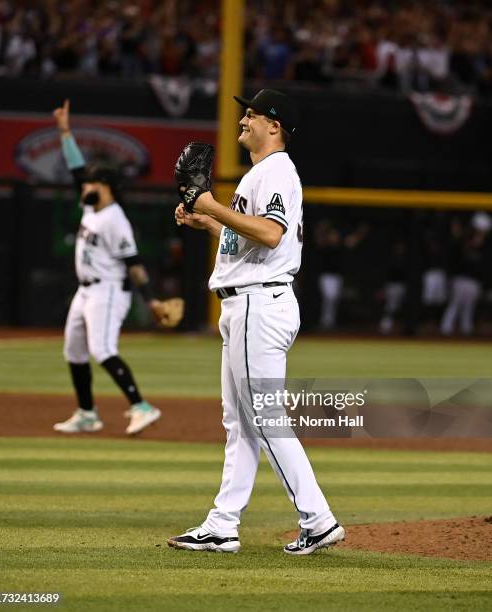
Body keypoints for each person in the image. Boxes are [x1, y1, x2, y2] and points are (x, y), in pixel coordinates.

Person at [167, 89, 344, 555]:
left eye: (252, 114)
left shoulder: (278, 171)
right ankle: (223, 525)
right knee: (240, 421)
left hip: (258, 306)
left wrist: (210, 205)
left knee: (263, 417)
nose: (243, 120)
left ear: (275, 125)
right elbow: (251, 239)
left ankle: (319, 519)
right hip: (246, 304)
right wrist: (209, 223)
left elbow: (270, 233)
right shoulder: (261, 173)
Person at [52, 100, 173, 435]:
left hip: (107, 290)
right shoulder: (91, 205)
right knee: (74, 351)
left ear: (107, 187)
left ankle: (142, 406)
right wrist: (64, 132)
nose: (85, 187)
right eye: (87, 183)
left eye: (93, 183)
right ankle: (87, 413)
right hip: (85, 290)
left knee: (102, 350)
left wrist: (149, 300)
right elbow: (77, 169)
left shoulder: (115, 219)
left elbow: (134, 264)